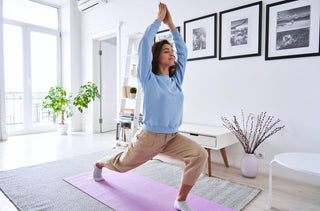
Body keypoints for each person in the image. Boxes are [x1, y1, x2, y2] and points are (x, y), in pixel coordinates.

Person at [93, 3, 208, 211]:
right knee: (121, 166)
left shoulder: (176, 80)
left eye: (171, 51)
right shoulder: (148, 78)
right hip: (149, 137)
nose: (172, 54)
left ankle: (180, 199)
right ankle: (100, 163)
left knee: (199, 154)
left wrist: (172, 25)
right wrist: (158, 21)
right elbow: (145, 44)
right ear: (156, 57)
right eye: (166, 51)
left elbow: (184, 51)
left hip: (172, 137)